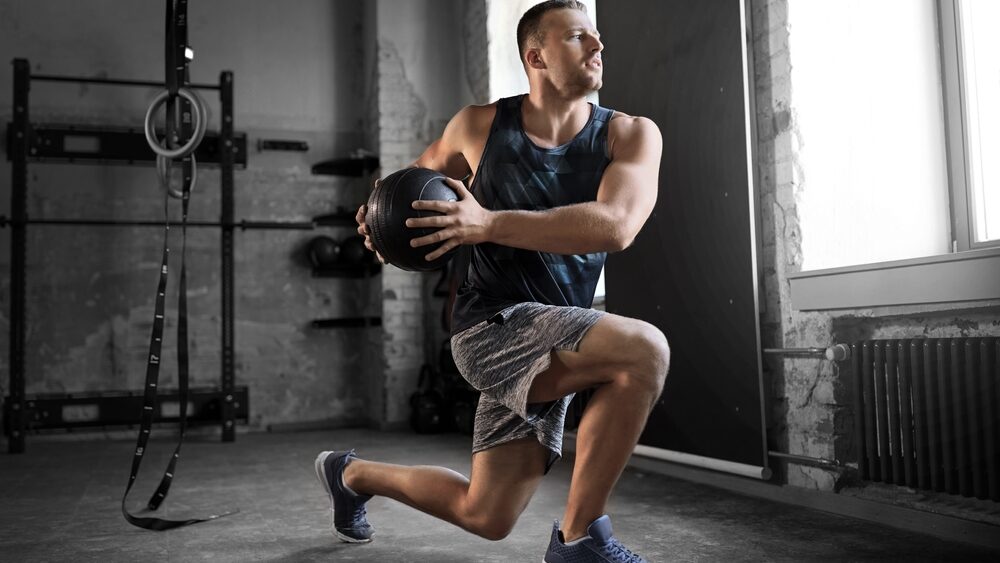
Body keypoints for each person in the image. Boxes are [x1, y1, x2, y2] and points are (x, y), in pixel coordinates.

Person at [317, 2, 668, 561]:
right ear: (536, 55)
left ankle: (352, 474)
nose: (598, 48)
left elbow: (617, 226)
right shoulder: (478, 127)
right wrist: (378, 225)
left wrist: (487, 223)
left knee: (486, 515)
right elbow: (411, 195)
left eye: (597, 38)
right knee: (644, 351)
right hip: (490, 328)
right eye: (579, 38)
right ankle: (580, 542)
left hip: (560, 335)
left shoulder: (629, 136)